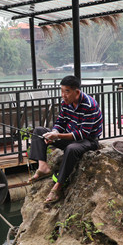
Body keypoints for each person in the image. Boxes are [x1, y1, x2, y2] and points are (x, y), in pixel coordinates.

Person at [27, 75, 103, 204]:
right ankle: (43, 167)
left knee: (71, 148)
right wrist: (55, 132)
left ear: (77, 92)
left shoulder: (90, 105)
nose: (63, 95)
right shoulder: (66, 103)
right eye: (61, 91)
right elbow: (60, 121)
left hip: (88, 140)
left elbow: (82, 134)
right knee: (39, 131)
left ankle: (58, 186)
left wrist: (57, 136)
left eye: (66, 92)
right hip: (70, 136)